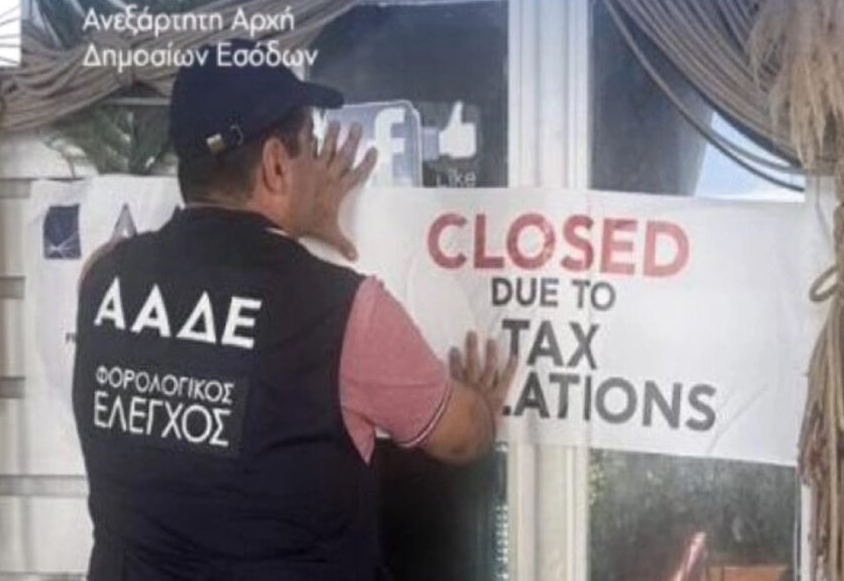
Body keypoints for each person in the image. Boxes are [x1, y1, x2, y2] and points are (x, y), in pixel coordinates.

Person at [72, 39, 517, 580]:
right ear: (276, 165)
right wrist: (484, 409)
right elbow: (462, 437)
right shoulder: (349, 315)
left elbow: (211, 341)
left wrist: (287, 227)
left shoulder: (103, 276)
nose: (317, 164)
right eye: (311, 145)